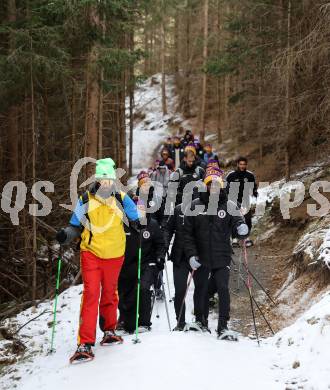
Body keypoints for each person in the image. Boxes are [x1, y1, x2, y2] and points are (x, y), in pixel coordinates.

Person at [56, 158, 139, 362]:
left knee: (110, 293)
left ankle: (109, 331)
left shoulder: (121, 198)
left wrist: (142, 226)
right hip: (91, 253)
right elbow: (75, 225)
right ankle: (85, 342)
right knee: (92, 293)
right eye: (103, 179)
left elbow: (136, 218)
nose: (106, 183)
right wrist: (66, 235)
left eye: (110, 179)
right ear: (97, 179)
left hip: (115, 253)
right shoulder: (86, 200)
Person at [183, 169, 249, 339]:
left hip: (222, 256)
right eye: (210, 184)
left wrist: (242, 229)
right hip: (201, 257)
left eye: (217, 184)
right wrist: (191, 255)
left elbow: (238, 224)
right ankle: (200, 320)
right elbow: (187, 234)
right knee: (201, 289)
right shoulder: (194, 205)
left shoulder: (229, 205)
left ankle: (223, 326)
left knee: (222, 288)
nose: (214, 187)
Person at [118, 203, 165, 334]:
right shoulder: (124, 224)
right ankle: (126, 322)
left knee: (143, 288)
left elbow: (160, 244)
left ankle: (144, 322)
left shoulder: (152, 224)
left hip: (147, 263)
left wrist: (160, 257)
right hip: (128, 264)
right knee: (126, 291)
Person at [164, 203, 208, 331]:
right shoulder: (178, 209)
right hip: (180, 257)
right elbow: (168, 229)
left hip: (200, 256)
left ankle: (201, 320)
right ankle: (180, 322)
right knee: (180, 290)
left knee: (201, 289)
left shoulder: (207, 209)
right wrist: (165, 245)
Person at [226, 156, 258, 247]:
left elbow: (254, 188)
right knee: (234, 219)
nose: (242, 166)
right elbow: (225, 186)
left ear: (246, 165)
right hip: (233, 200)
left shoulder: (250, 175)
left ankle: (246, 238)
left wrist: (254, 194)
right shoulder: (231, 175)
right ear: (237, 164)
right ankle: (234, 239)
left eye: (244, 164)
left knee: (247, 219)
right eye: (240, 164)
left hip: (245, 200)